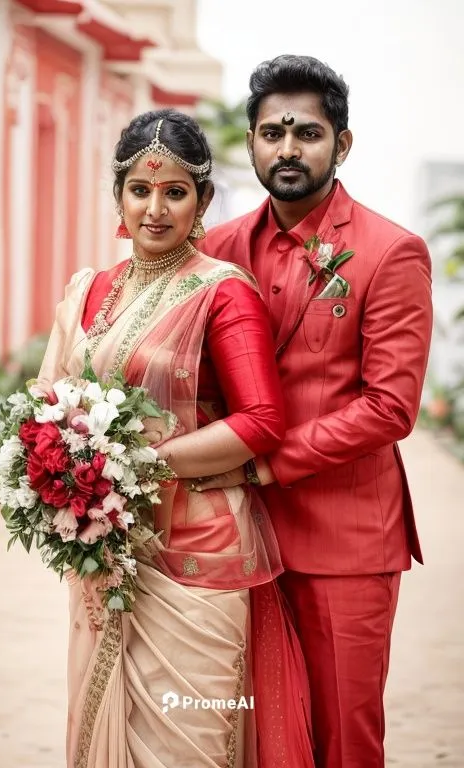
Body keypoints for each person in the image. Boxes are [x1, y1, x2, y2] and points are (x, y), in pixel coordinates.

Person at [37, 108, 314, 768]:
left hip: (198, 555)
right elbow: (49, 402)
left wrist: (132, 464)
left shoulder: (222, 293)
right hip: (109, 552)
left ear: (203, 200)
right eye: (140, 190)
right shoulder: (88, 291)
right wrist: (57, 472)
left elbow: (261, 422)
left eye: (175, 192)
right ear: (118, 196)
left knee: (188, 746)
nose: (155, 209)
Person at [200, 55, 433, 768]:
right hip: (237, 537)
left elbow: (390, 407)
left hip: (345, 542)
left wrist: (269, 465)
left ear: (342, 143)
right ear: (251, 142)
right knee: (250, 730)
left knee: (342, 737)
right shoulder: (217, 249)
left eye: (307, 132)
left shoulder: (390, 252)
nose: (288, 148)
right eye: (272, 132)